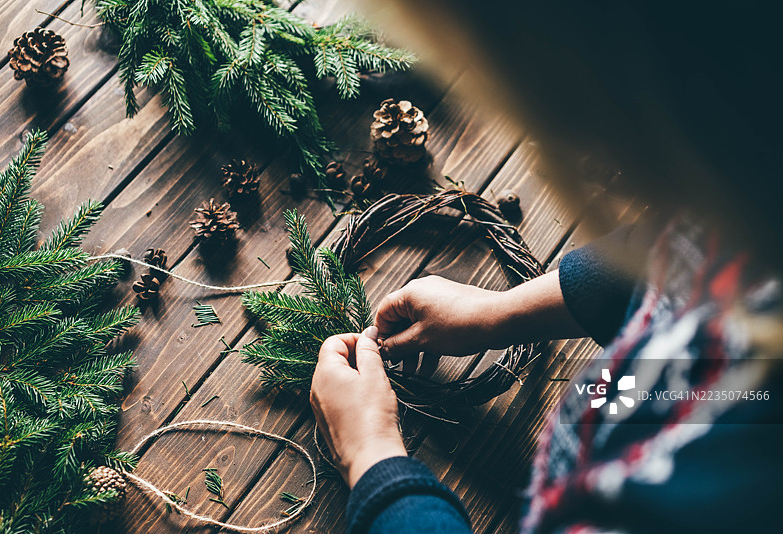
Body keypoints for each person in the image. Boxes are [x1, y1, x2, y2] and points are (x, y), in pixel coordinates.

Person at [310, 1, 783, 532]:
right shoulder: (753, 193)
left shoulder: (707, 491)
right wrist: (503, 311)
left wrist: (372, 457)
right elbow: (687, 256)